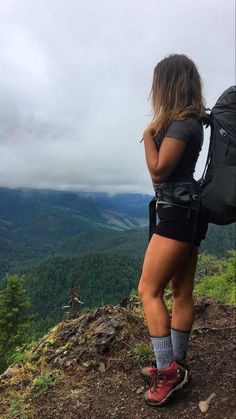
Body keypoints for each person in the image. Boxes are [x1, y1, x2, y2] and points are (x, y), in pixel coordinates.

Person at [138, 54, 209, 407]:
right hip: (191, 212)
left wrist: (148, 134)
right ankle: (176, 364)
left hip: (177, 215)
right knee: (181, 291)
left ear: (167, 85)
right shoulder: (193, 121)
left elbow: (159, 170)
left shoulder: (180, 125)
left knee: (148, 290)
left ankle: (167, 372)